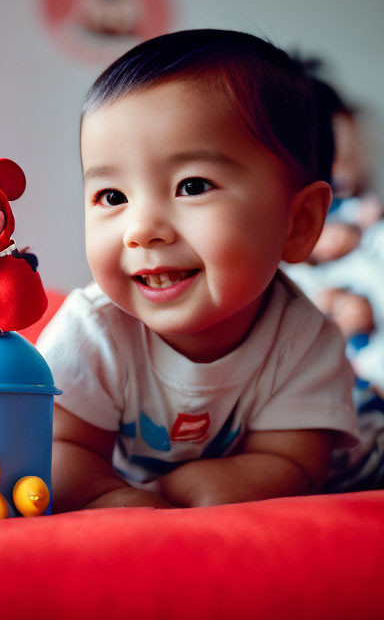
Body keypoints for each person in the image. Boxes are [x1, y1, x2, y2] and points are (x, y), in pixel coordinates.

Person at [38, 29, 360, 510]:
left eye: (192, 186)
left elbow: (293, 464)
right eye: (112, 197)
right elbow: (57, 449)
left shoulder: (304, 341)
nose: (142, 229)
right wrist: (109, 495)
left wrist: (189, 490)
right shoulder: (94, 332)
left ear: (300, 223)